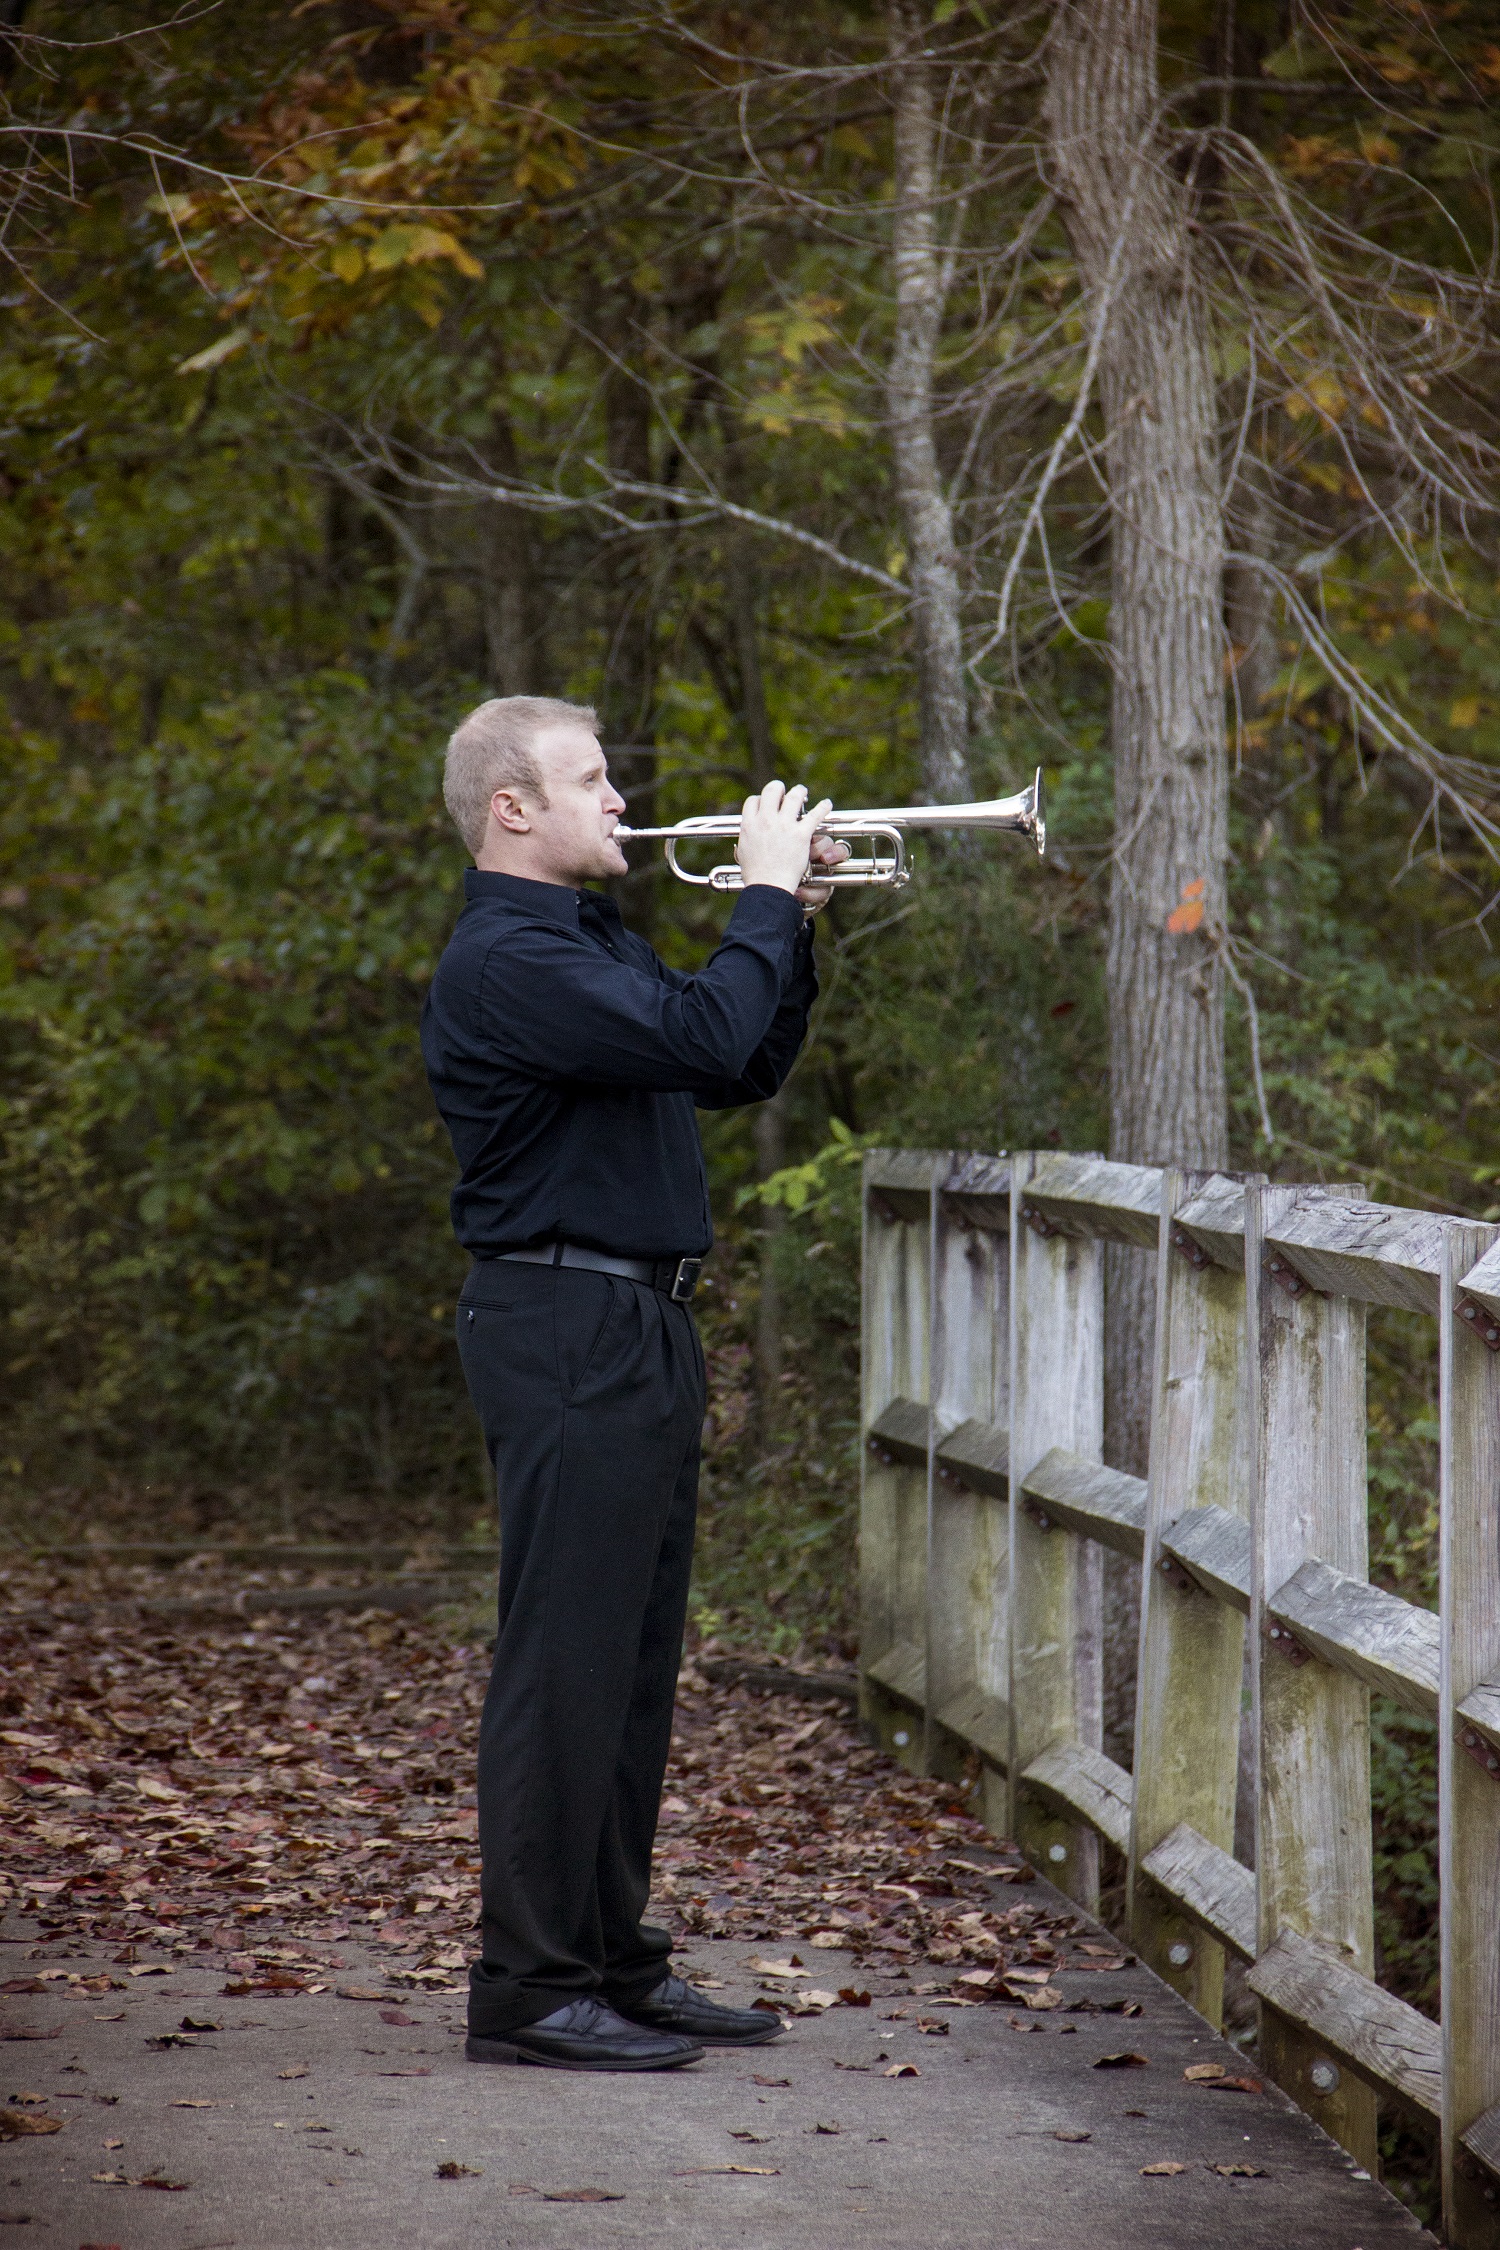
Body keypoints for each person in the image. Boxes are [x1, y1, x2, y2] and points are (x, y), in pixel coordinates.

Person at [420, 694, 844, 2072]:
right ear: (513, 809)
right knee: (566, 1662)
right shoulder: (506, 958)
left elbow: (740, 1054)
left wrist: (798, 921)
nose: (621, 798)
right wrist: (762, 897)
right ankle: (530, 1987)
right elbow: (713, 1033)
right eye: (590, 779)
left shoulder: (585, 943)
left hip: (633, 1323)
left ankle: (607, 1956)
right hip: (562, 1317)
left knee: (632, 1668)